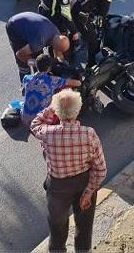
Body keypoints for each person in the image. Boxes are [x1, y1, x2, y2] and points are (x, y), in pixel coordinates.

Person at [31, 89, 107, 253]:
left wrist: (52, 108)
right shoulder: (89, 134)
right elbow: (100, 169)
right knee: (84, 226)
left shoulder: (48, 133)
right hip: (83, 184)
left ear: (57, 112)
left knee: (57, 228)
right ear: (78, 110)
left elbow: (35, 124)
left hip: (57, 188)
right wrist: (88, 193)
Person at [70, 0, 120, 67]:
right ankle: (91, 65)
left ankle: (70, 52)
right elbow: (102, 12)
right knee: (93, 40)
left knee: (74, 30)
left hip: (71, 2)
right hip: (79, 12)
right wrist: (101, 24)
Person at [5, 12, 71, 81]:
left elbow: (57, 54)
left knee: (39, 57)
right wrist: (36, 64)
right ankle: (25, 86)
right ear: (54, 47)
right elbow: (19, 54)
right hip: (14, 27)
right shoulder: (39, 41)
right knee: (25, 64)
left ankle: (39, 80)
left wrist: (60, 63)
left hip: (31, 24)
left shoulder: (57, 34)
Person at [22, 54, 82, 122]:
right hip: (40, 121)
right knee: (62, 88)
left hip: (25, 118)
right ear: (49, 68)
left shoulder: (26, 78)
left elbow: (24, 92)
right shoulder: (52, 80)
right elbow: (78, 83)